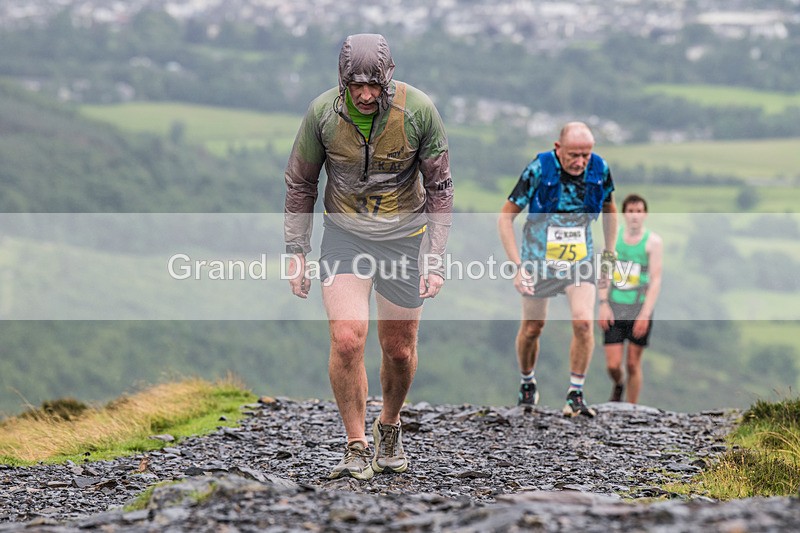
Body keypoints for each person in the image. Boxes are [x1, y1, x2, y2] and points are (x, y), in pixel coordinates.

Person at [283, 34, 453, 480]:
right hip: (345, 235)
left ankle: (390, 425)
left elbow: (440, 188)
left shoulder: (417, 111)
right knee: (347, 338)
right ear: (342, 81)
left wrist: (435, 256)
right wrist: (296, 251)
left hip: (404, 236)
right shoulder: (322, 113)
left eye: (374, 85)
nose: (365, 94)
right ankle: (356, 445)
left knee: (398, 349)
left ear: (388, 78)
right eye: (355, 85)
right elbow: (301, 183)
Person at [498, 122, 617, 417]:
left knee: (583, 323)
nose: (580, 162)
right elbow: (505, 218)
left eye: (585, 155)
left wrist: (609, 255)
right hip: (538, 261)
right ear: (558, 148)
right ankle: (528, 382)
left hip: (581, 260)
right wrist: (518, 266)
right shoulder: (538, 169)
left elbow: (610, 210)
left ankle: (575, 393)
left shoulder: (600, 169)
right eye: (573, 155)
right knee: (533, 328)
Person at [598, 194, 662, 404]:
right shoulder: (613, 238)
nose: (635, 216)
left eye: (639, 211)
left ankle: (631, 408)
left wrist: (645, 314)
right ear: (624, 214)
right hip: (615, 304)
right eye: (631, 211)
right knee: (613, 365)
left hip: (639, 306)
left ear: (645, 214)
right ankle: (619, 382)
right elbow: (604, 272)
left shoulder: (653, 242)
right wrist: (603, 303)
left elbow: (655, 280)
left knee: (633, 362)